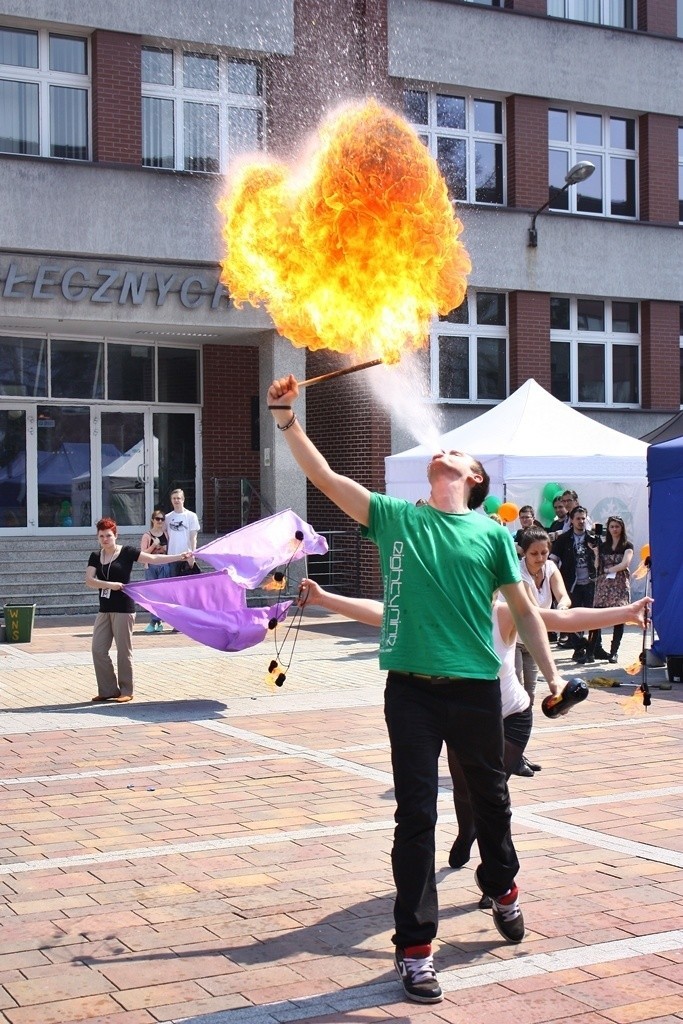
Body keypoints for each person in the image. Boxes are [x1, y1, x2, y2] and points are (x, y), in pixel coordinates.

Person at [267, 372, 566, 1005]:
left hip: (477, 688)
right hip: (410, 692)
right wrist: (288, 419)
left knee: (491, 804)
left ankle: (503, 886)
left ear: (473, 478)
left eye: (457, 455)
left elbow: (529, 611)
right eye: (443, 450)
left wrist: (557, 677)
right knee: (416, 817)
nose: (444, 452)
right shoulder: (397, 517)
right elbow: (325, 480)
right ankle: (415, 950)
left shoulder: (491, 536)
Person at [298, 577, 651, 885]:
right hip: (464, 719)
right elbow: (380, 613)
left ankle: (495, 876)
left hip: (510, 716)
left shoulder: (503, 613)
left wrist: (625, 612)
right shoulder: (436, 612)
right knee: (465, 793)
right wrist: (323, 597)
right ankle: (467, 832)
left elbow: (562, 618)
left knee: (492, 794)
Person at [85, 517, 190, 702]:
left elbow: (154, 558)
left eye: (108, 535)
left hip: (123, 609)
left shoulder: (127, 552)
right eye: (101, 536)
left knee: (124, 651)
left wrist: (179, 556)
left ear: (115, 535)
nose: (105, 539)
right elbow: (89, 581)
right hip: (104, 608)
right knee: (98, 649)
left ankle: (126, 690)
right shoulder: (95, 556)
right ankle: (108, 689)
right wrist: (111, 585)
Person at [514, 527, 571, 775]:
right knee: (514, 699)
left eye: (544, 553)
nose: (540, 558)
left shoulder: (550, 568)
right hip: (512, 641)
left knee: (529, 697)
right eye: (534, 553)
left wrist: (565, 608)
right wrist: (561, 619)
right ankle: (510, 756)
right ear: (523, 553)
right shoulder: (517, 572)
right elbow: (532, 610)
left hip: (535, 641)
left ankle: (516, 753)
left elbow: (563, 596)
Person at [551, 506, 598, 663]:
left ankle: (591, 650)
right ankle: (579, 647)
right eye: (578, 518)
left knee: (593, 617)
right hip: (572, 583)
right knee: (573, 617)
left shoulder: (592, 538)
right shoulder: (564, 539)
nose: (581, 521)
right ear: (571, 520)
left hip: (591, 582)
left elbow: (602, 559)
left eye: (583, 518)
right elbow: (553, 560)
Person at [586, 516, 634, 663]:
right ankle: (590, 651)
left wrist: (609, 569)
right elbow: (596, 566)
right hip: (604, 584)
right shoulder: (603, 545)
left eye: (617, 526)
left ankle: (614, 651)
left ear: (622, 528)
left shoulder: (627, 545)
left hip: (619, 583)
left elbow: (625, 563)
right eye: (612, 526)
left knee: (619, 617)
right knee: (597, 616)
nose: (614, 529)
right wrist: (595, 552)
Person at [140, 509, 171, 633]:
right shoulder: (147, 535)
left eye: (162, 519)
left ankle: (157, 621)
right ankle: (155, 621)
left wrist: (163, 549)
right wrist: (153, 545)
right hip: (151, 566)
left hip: (164, 565)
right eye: (157, 519)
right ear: (152, 520)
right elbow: (142, 554)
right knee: (152, 594)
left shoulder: (166, 534)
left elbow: (168, 551)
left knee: (161, 594)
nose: (160, 521)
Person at [165, 489, 199, 576]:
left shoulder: (191, 516)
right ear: (171, 500)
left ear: (183, 500)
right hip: (172, 557)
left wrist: (192, 554)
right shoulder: (167, 517)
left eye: (178, 498)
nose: (176, 500)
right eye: (174, 498)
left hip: (186, 556)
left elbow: (193, 537)